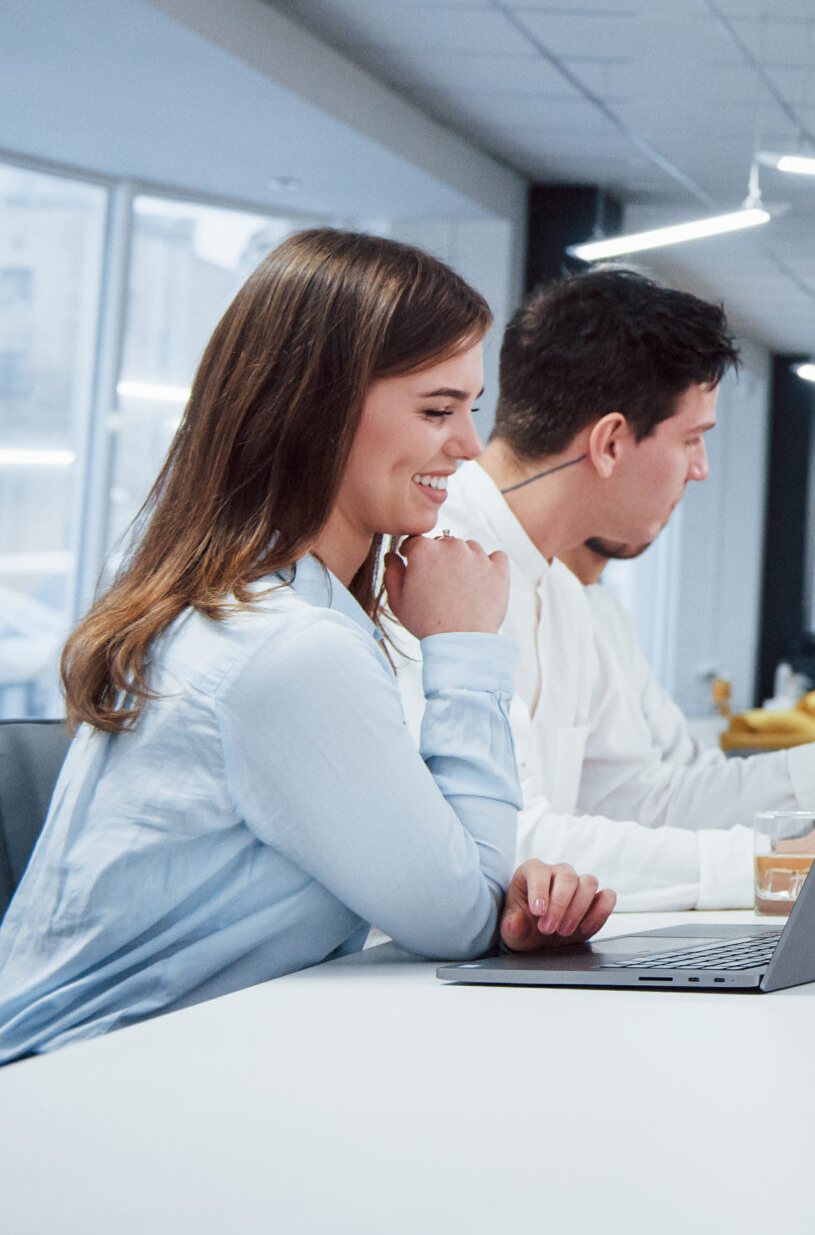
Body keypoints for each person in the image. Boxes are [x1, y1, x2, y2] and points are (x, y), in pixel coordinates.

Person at [0, 231, 611, 1061]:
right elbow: (460, 919)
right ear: (317, 411)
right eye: (438, 410)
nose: (470, 446)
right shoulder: (286, 648)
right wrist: (468, 647)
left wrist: (501, 887)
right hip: (86, 1079)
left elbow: (451, 885)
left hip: (150, 1061)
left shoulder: (261, 603)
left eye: (471, 407)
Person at [434, 266, 815, 911]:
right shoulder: (434, 563)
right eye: (692, 439)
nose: (701, 469)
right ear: (609, 443)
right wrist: (768, 863)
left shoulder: (562, 592)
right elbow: (500, 845)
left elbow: (636, 799)